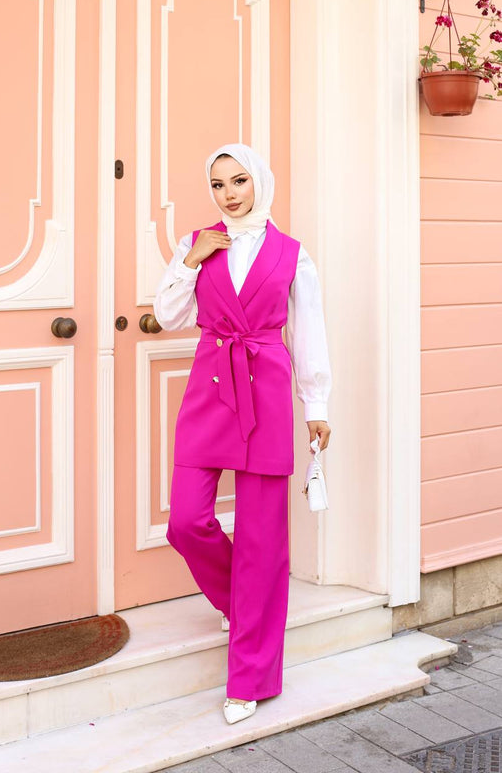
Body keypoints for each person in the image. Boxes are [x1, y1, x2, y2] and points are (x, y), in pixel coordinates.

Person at [153, 142, 332, 725]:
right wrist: (190, 259)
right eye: (218, 185)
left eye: (239, 181)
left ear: (260, 182)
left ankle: (250, 679)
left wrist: (317, 403)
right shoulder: (195, 244)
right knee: (187, 521)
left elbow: (309, 331)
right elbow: (168, 315)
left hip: (268, 390)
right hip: (210, 388)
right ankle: (240, 602)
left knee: (261, 539)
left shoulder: (293, 255)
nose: (229, 194)